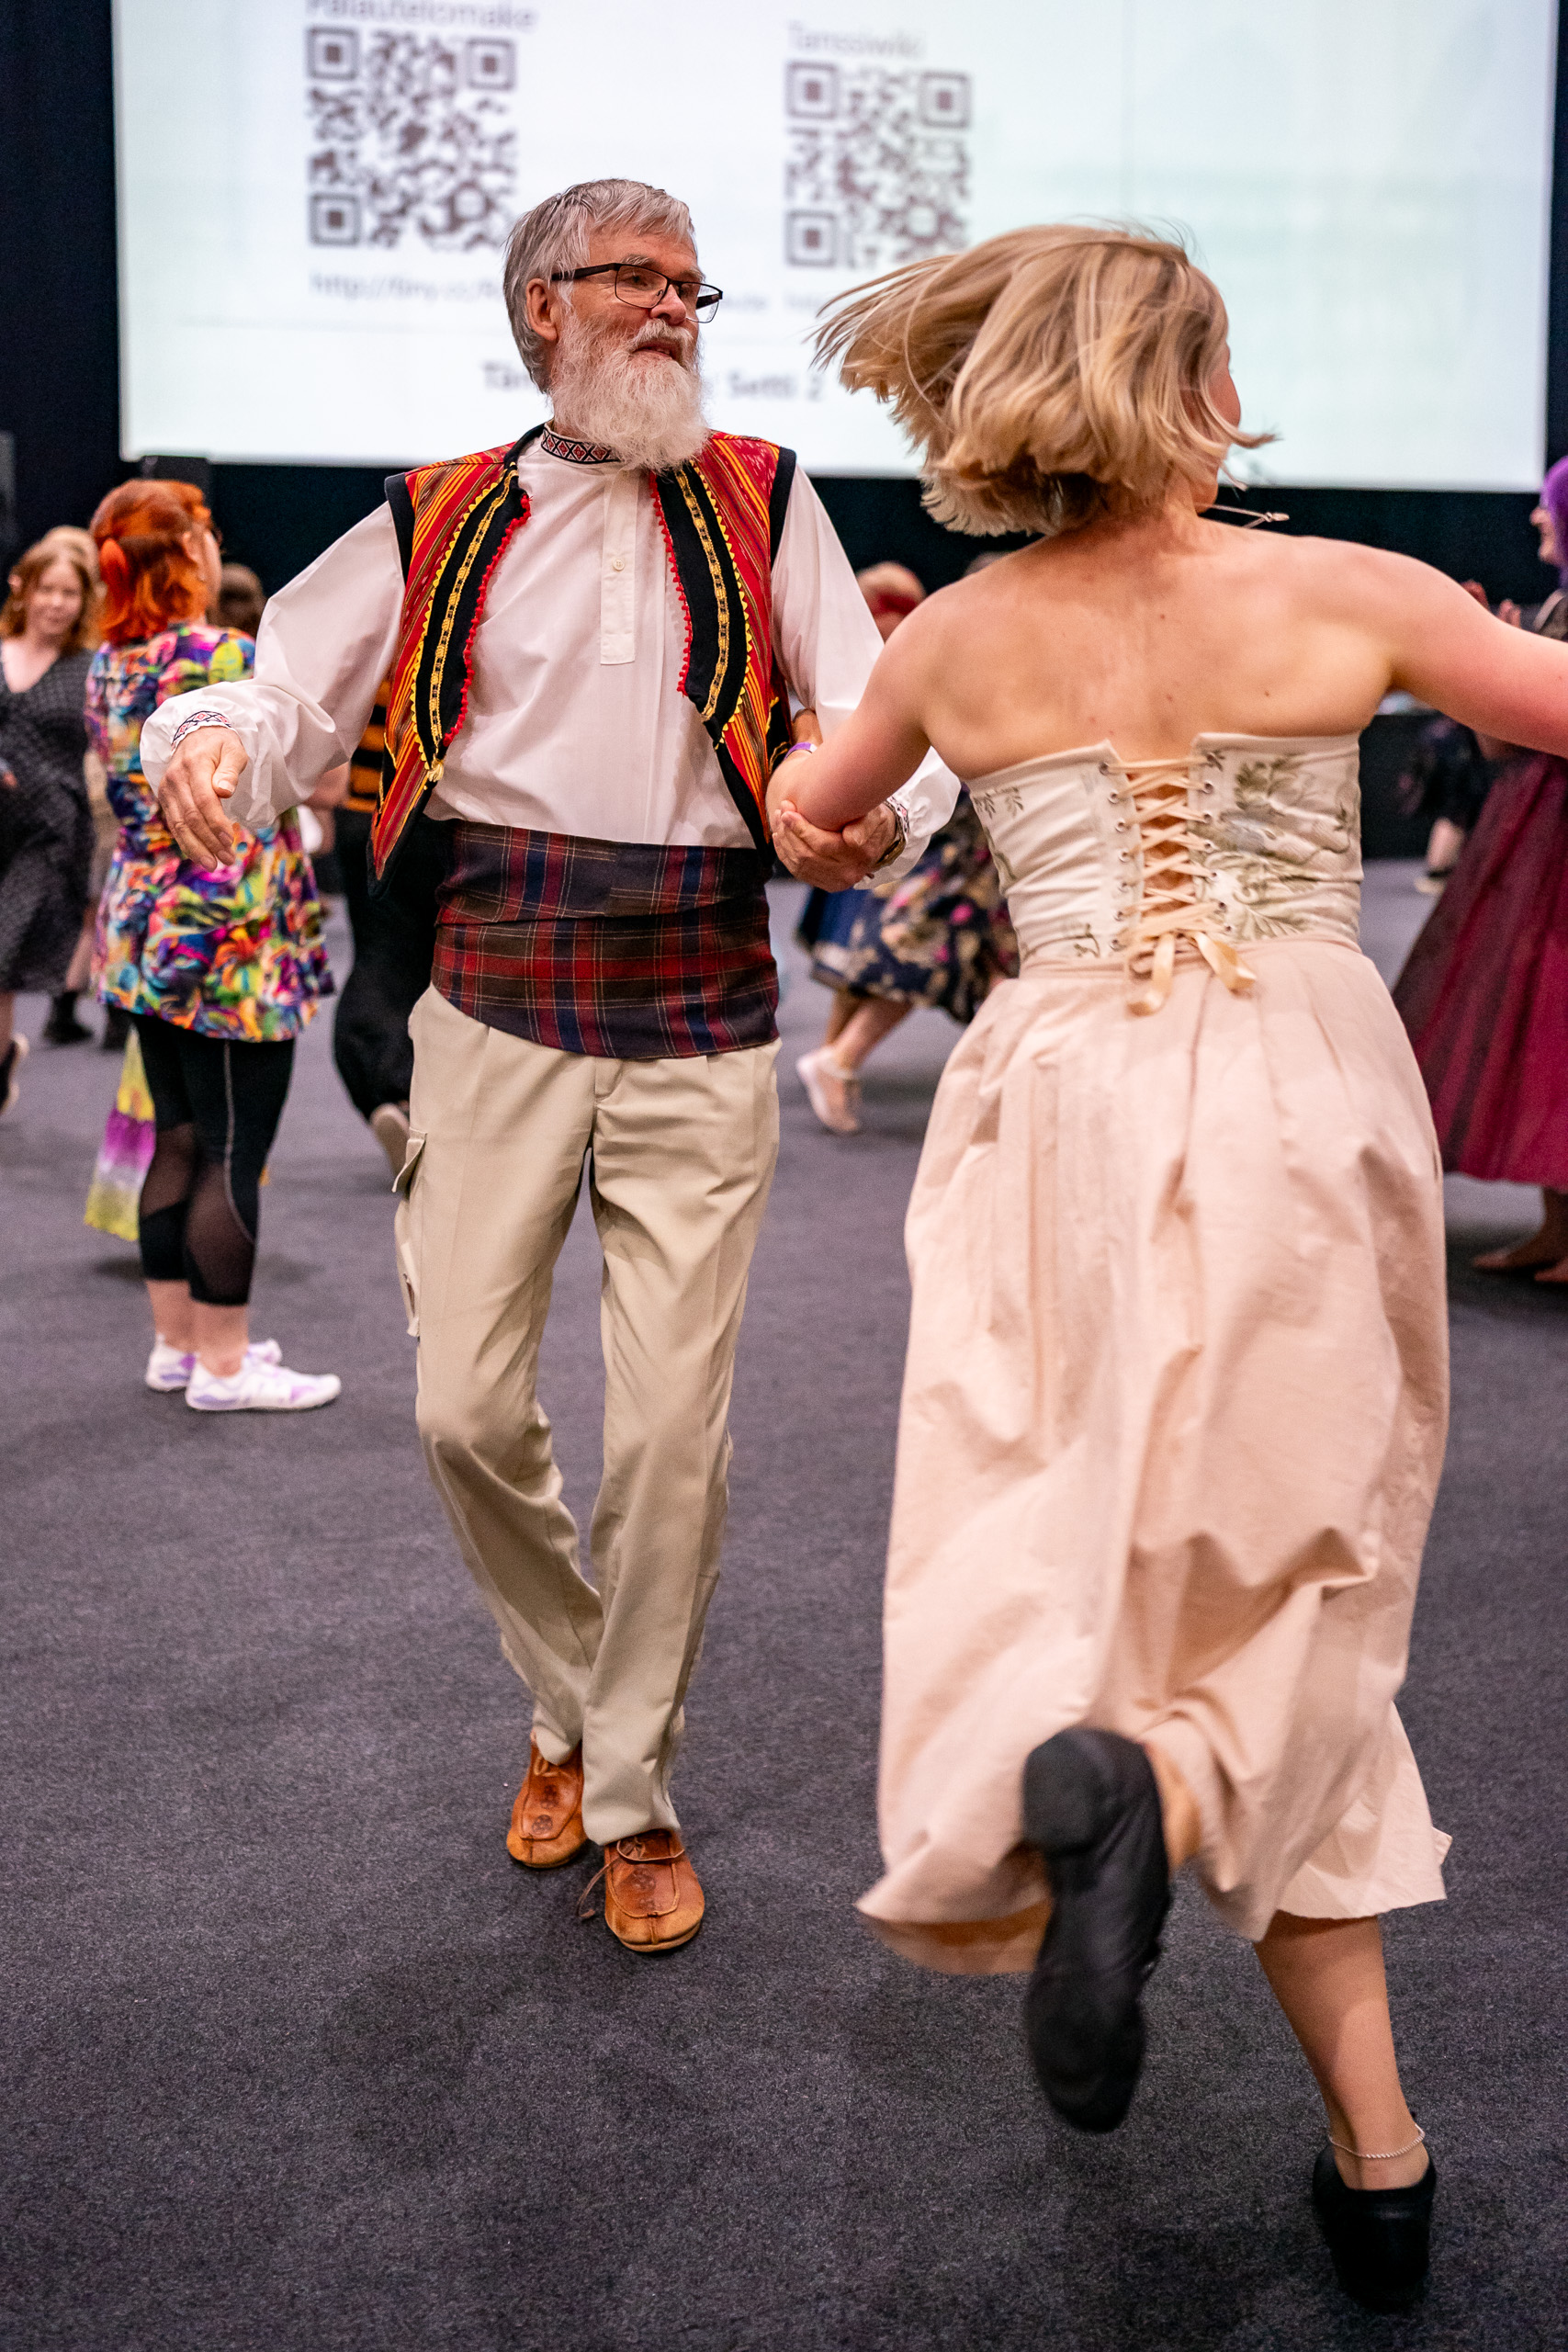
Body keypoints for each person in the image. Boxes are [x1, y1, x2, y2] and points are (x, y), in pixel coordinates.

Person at [769, 223, 1568, 2312]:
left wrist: (816, 811)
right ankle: (1184, 1802)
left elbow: (814, 812)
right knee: (1306, 1565)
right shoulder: (1343, 591)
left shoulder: (957, 639)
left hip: (1050, 1104)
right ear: (1196, 389)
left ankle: (1373, 2148)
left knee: (1078, 1540)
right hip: (1293, 1087)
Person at [141, 178, 953, 1952]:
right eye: (633, 278)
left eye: (689, 285)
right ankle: (574, 1704)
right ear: (539, 306)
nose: (672, 307)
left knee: (672, 1442)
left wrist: (876, 816)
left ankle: (631, 1793)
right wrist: (206, 740)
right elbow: (286, 694)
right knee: (460, 1411)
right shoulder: (434, 509)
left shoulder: (768, 495)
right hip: (492, 994)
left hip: (704, 1003)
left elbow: (885, 716)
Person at [87, 478, 339, 1411]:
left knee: (178, 1138)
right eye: (205, 534)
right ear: (188, 552)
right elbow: (295, 779)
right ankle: (226, 1365)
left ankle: (178, 1345)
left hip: (144, 929)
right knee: (233, 1146)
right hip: (230, 938)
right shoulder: (226, 657)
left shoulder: (107, 665)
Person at [1393, 461, 1568, 1280]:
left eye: (1550, 504)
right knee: (1534, 1021)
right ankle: (1555, 1228)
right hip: (1532, 835)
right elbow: (1501, 743)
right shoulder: (1553, 609)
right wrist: (1476, 650)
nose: (1535, 518)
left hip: (1547, 838)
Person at [795, 563, 1019, 1135]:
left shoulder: (955, 657)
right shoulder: (941, 662)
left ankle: (840, 1061)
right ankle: (837, 1059)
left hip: (943, 841)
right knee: (910, 951)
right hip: (933, 843)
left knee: (988, 967)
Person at [328, 674, 442, 1177]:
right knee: (444, 967)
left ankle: (392, 1091)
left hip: (367, 811)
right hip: (441, 813)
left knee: (381, 956)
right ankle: (421, 1098)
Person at [0, 533, 99, 1109]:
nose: (57, 603)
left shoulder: (90, 669)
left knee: (2, 954)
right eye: (48, 589)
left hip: (47, 834)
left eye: (70, 593)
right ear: (26, 591)